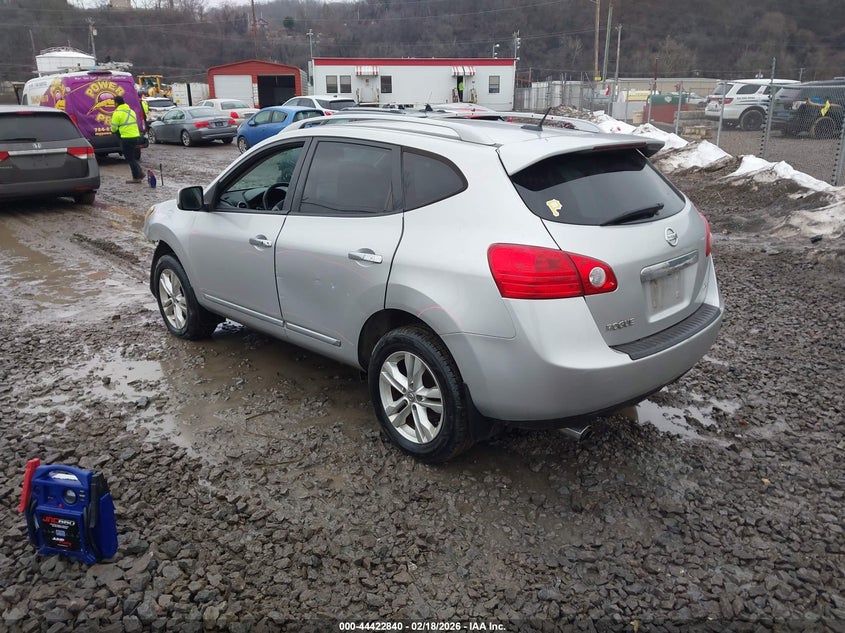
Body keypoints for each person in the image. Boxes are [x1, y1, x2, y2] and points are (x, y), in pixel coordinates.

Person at [110, 95, 144, 183]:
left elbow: (113, 128)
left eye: (114, 103)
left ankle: (136, 177)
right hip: (135, 136)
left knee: (130, 158)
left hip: (125, 138)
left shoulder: (117, 113)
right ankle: (140, 173)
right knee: (132, 157)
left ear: (116, 103)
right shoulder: (131, 111)